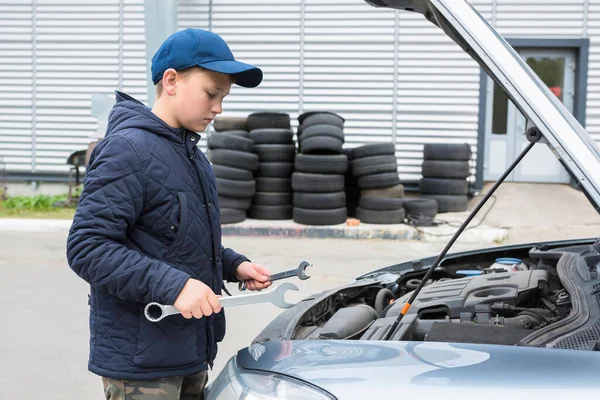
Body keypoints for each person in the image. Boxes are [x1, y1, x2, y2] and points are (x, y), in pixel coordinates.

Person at [66, 28, 272, 399]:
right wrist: (175, 286)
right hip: (141, 365)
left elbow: (172, 238)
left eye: (224, 97)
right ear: (172, 81)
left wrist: (233, 264)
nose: (219, 108)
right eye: (211, 94)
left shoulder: (192, 156)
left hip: (189, 350)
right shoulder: (128, 150)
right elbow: (88, 247)